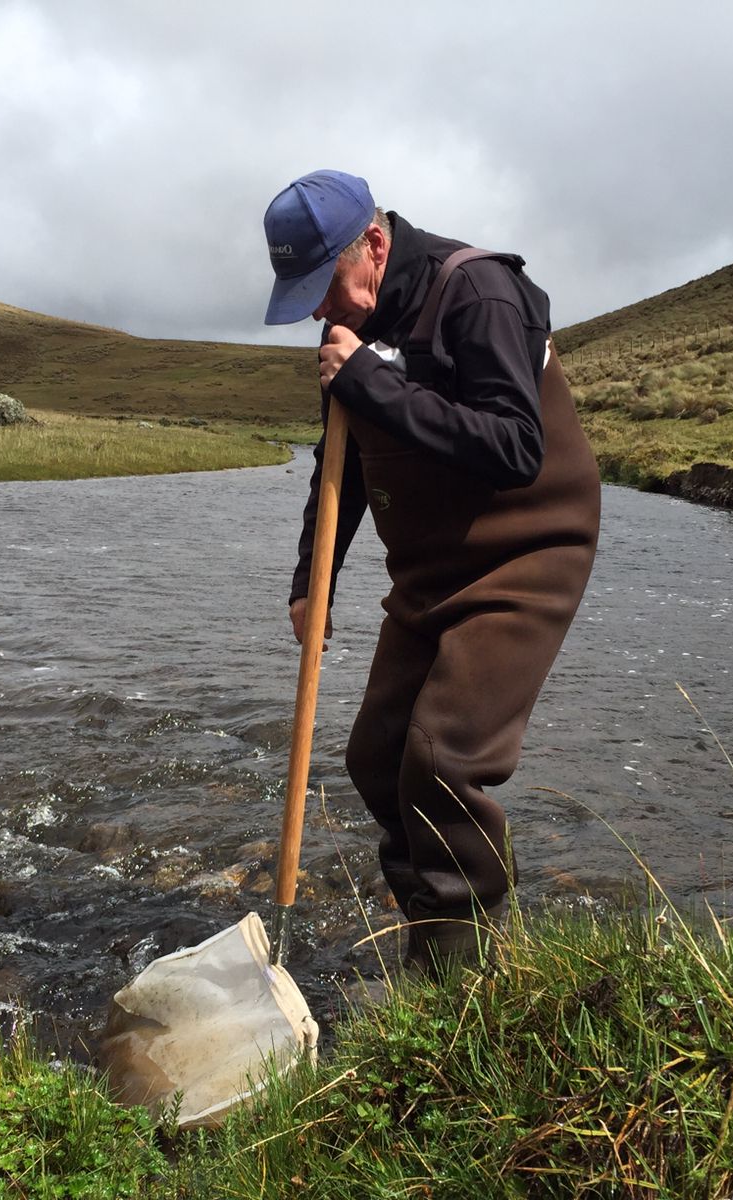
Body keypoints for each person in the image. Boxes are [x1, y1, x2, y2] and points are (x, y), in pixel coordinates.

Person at [263, 169, 602, 977]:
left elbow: (513, 446)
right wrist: (313, 582)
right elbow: (335, 468)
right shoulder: (348, 334)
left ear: (374, 245)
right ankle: (433, 946)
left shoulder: (478, 293)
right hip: (429, 569)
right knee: (377, 758)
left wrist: (370, 381)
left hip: (525, 553)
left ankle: (468, 993)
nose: (318, 310)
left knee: (442, 760)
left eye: (325, 285)